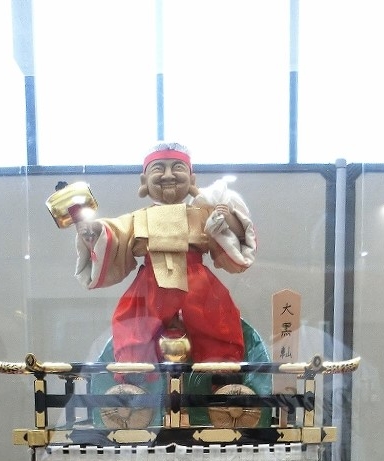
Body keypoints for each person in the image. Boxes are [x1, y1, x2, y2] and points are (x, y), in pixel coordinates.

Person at [73, 142, 256, 367]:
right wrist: (95, 232)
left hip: (198, 285)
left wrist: (227, 218)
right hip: (150, 286)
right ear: (144, 181)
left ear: (192, 180)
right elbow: (113, 233)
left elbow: (234, 243)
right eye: (158, 168)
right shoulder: (137, 218)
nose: (168, 175)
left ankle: (218, 378)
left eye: (177, 168)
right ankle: (136, 380)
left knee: (218, 325)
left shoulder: (202, 214)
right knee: (133, 330)